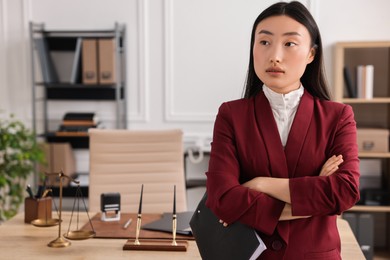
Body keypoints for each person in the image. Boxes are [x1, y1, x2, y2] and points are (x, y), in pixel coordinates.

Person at [205, 1, 360, 259]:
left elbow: (346, 191)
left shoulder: (338, 116)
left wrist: (259, 184)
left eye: (289, 43)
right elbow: (222, 200)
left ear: (311, 54)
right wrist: (316, 193)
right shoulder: (231, 115)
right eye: (264, 42)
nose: (274, 55)